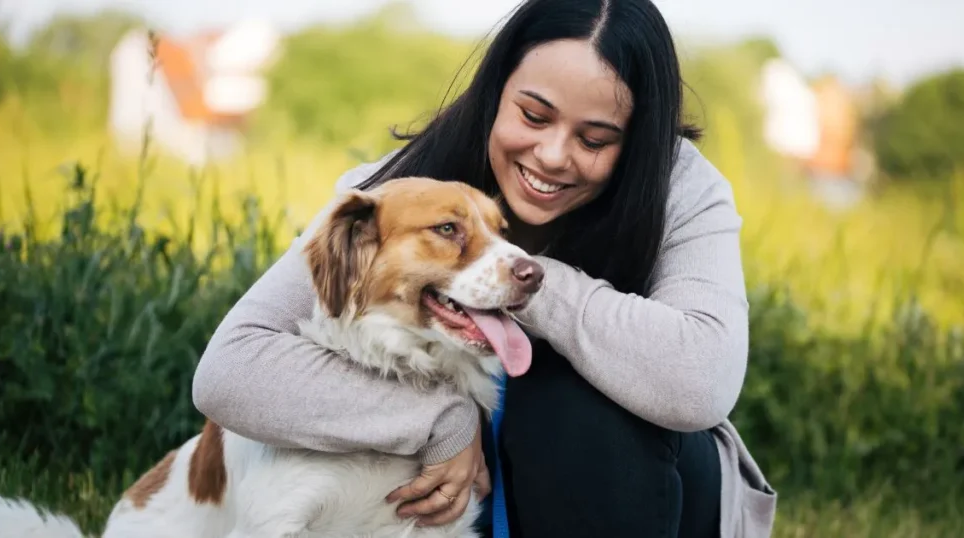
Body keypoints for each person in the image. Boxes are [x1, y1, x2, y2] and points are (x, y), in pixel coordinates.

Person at [191, 0, 777, 536]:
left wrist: (520, 281)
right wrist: (440, 418)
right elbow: (231, 368)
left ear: (638, 139)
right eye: (533, 114)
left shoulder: (682, 188)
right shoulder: (402, 187)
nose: (552, 156)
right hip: (470, 498)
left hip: (646, 493)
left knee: (570, 405)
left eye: (594, 139)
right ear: (496, 90)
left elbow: (700, 382)